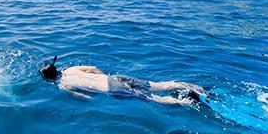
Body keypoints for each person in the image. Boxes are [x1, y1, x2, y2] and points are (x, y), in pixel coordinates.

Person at [39, 57, 205, 106]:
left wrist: (99, 93)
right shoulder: (70, 69)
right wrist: (104, 78)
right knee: (157, 85)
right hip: (114, 78)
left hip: (111, 89)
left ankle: (187, 101)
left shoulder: (63, 86)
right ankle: (193, 87)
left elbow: (86, 99)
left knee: (153, 99)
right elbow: (94, 67)